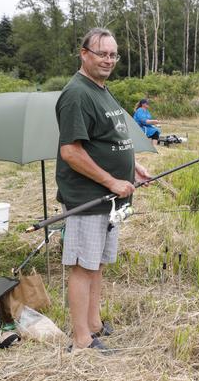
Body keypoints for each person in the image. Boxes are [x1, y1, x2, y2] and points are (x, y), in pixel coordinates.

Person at [55, 27, 151, 352]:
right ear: (84, 54)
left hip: (110, 201)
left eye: (113, 54)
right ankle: (81, 338)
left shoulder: (101, 89)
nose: (108, 60)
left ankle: (93, 324)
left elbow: (111, 138)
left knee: (97, 264)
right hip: (88, 198)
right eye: (102, 54)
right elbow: (71, 151)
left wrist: (132, 166)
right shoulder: (76, 94)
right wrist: (111, 181)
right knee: (83, 266)